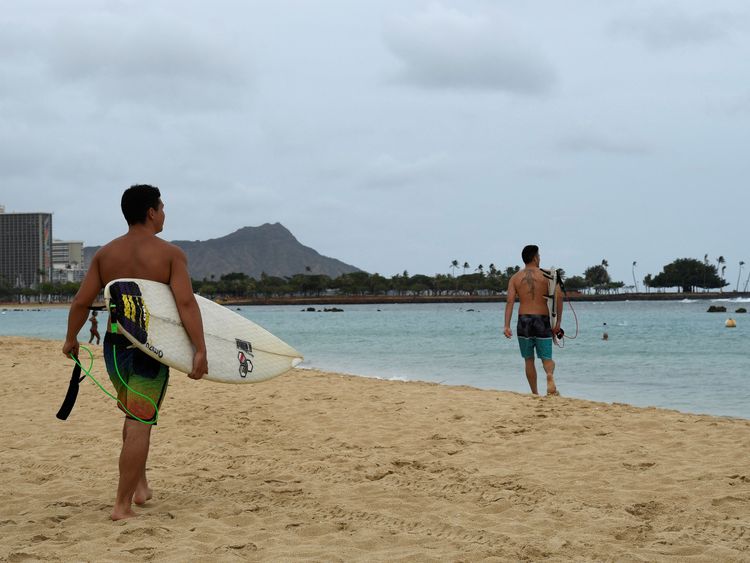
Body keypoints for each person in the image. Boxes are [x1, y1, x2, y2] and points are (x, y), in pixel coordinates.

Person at [62, 184, 208, 521]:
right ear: (151, 212)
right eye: (162, 207)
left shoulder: (105, 255)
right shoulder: (170, 255)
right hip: (150, 350)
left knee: (134, 414)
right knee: (140, 421)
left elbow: (82, 301)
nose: (164, 213)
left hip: (114, 349)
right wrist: (200, 348)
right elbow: (185, 303)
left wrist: (71, 338)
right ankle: (121, 506)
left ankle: (139, 486)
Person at [503, 245, 562, 396]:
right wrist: (558, 324)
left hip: (524, 320)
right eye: (539, 256)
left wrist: (506, 325)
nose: (540, 258)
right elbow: (559, 298)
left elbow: (510, 302)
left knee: (529, 360)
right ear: (535, 257)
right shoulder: (549, 275)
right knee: (546, 358)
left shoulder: (515, 278)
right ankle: (549, 375)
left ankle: (535, 393)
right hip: (542, 319)